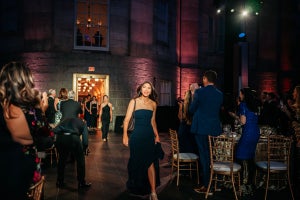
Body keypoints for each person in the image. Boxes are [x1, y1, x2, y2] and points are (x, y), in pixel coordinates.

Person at [0, 61, 42, 199]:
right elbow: (45, 138)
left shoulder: (5, 107)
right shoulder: (25, 111)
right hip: (23, 169)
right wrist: (41, 109)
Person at [122, 81, 160, 200]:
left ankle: (153, 192)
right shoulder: (134, 101)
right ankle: (138, 186)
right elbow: (126, 120)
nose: (146, 89)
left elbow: (153, 122)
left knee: (150, 162)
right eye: (144, 87)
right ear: (140, 88)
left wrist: (157, 135)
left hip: (148, 136)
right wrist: (125, 136)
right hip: (137, 137)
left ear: (151, 90)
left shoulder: (153, 104)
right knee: (136, 162)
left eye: (149, 88)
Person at [189, 70, 223, 194]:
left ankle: (206, 186)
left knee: (204, 157)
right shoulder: (220, 94)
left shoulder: (199, 92)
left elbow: (191, 110)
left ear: (205, 79)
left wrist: (193, 94)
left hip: (201, 128)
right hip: (214, 128)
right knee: (212, 156)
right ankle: (215, 183)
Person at [230, 88, 261, 196]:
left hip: (248, 132)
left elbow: (243, 122)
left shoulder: (243, 104)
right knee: (250, 159)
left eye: (241, 94)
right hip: (256, 132)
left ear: (244, 95)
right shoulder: (255, 105)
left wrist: (236, 117)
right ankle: (250, 185)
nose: (240, 96)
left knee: (239, 156)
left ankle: (241, 186)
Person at [53, 117, 91, 189]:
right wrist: (84, 148)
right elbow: (85, 140)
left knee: (62, 160)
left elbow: (54, 130)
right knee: (80, 161)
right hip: (74, 139)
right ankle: (81, 183)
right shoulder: (83, 123)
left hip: (62, 138)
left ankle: (59, 181)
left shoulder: (65, 120)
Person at [177, 87, 197, 154]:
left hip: (182, 130)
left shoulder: (182, 105)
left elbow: (179, 118)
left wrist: (180, 108)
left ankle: (184, 161)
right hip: (190, 130)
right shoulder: (193, 107)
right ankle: (192, 162)